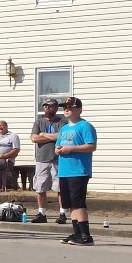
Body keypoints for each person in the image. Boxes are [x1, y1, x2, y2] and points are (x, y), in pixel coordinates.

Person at [55, 96, 97, 246]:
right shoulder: (64, 128)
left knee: (78, 203)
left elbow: (91, 146)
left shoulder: (84, 126)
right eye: (65, 108)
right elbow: (58, 145)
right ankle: (77, 233)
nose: (67, 110)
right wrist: (58, 150)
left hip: (78, 170)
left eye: (70, 107)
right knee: (70, 204)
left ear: (79, 109)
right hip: (64, 171)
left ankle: (86, 235)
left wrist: (71, 149)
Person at [30, 98, 67, 224]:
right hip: (42, 159)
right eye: (45, 106)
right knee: (40, 187)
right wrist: (51, 137)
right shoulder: (38, 122)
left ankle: (62, 213)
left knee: (60, 188)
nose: (47, 108)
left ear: (56, 108)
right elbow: (34, 138)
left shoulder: (62, 122)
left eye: (50, 106)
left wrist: (43, 134)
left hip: (58, 159)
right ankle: (41, 213)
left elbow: (61, 136)